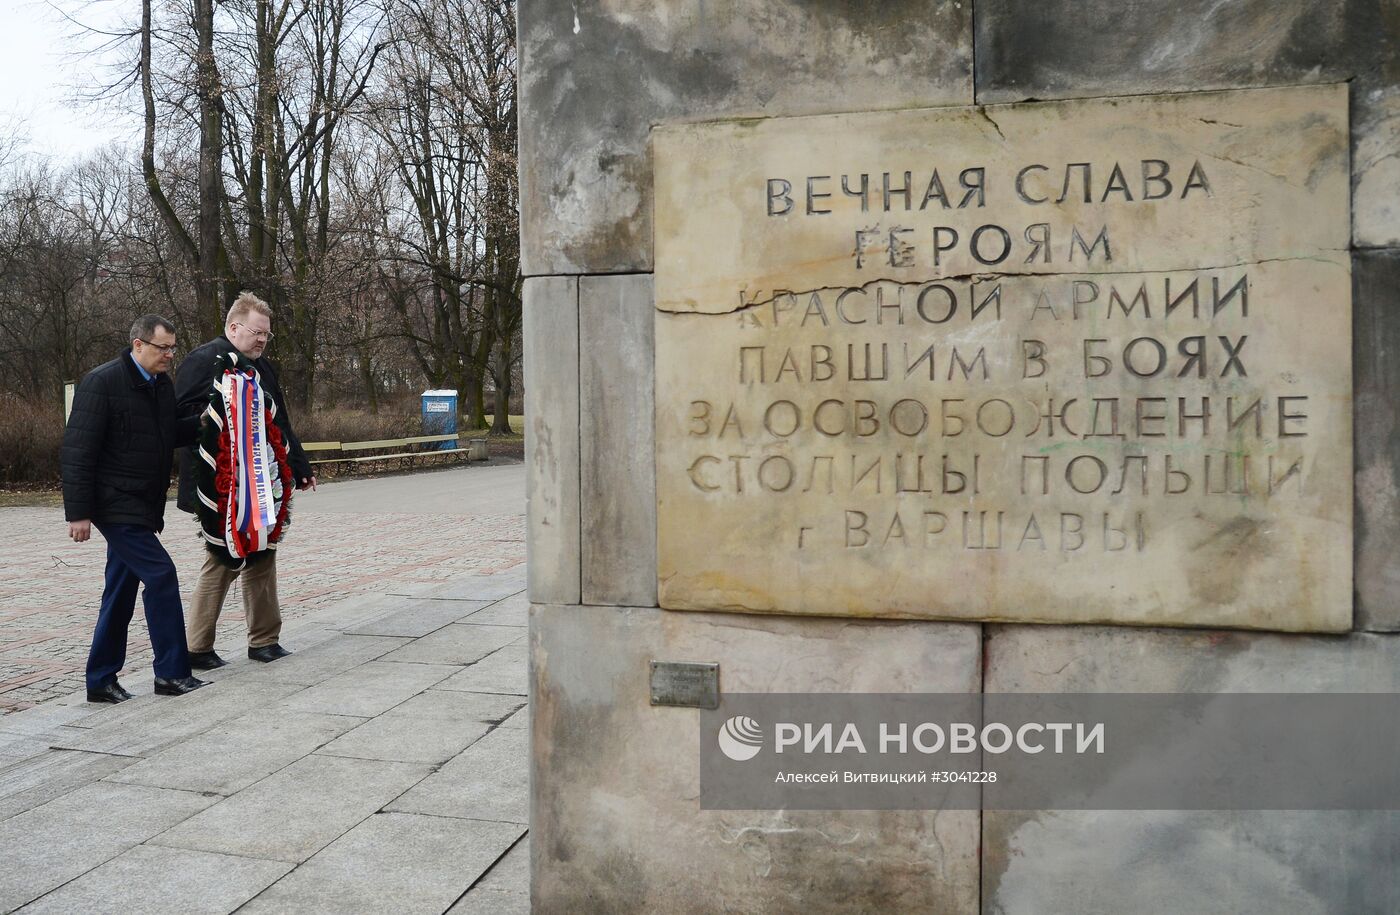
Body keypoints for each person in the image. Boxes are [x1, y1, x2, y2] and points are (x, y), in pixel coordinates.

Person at [62, 315, 208, 703]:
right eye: (163, 348)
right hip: (114, 504)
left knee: (121, 590)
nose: (170, 356)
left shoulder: (160, 385)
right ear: (138, 344)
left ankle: (100, 680)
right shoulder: (102, 382)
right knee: (161, 574)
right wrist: (78, 513)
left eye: (173, 348)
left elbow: (166, 433)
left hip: (143, 503)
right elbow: (78, 452)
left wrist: (206, 423)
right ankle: (172, 674)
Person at [176, 291, 315, 668]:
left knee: (263, 555)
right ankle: (197, 647)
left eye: (267, 335)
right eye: (257, 333)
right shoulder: (204, 360)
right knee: (222, 558)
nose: (262, 340)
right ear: (234, 327)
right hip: (219, 486)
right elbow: (182, 418)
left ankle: (264, 640)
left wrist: (299, 466)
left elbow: (279, 421)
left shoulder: (262, 367)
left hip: (262, 483)